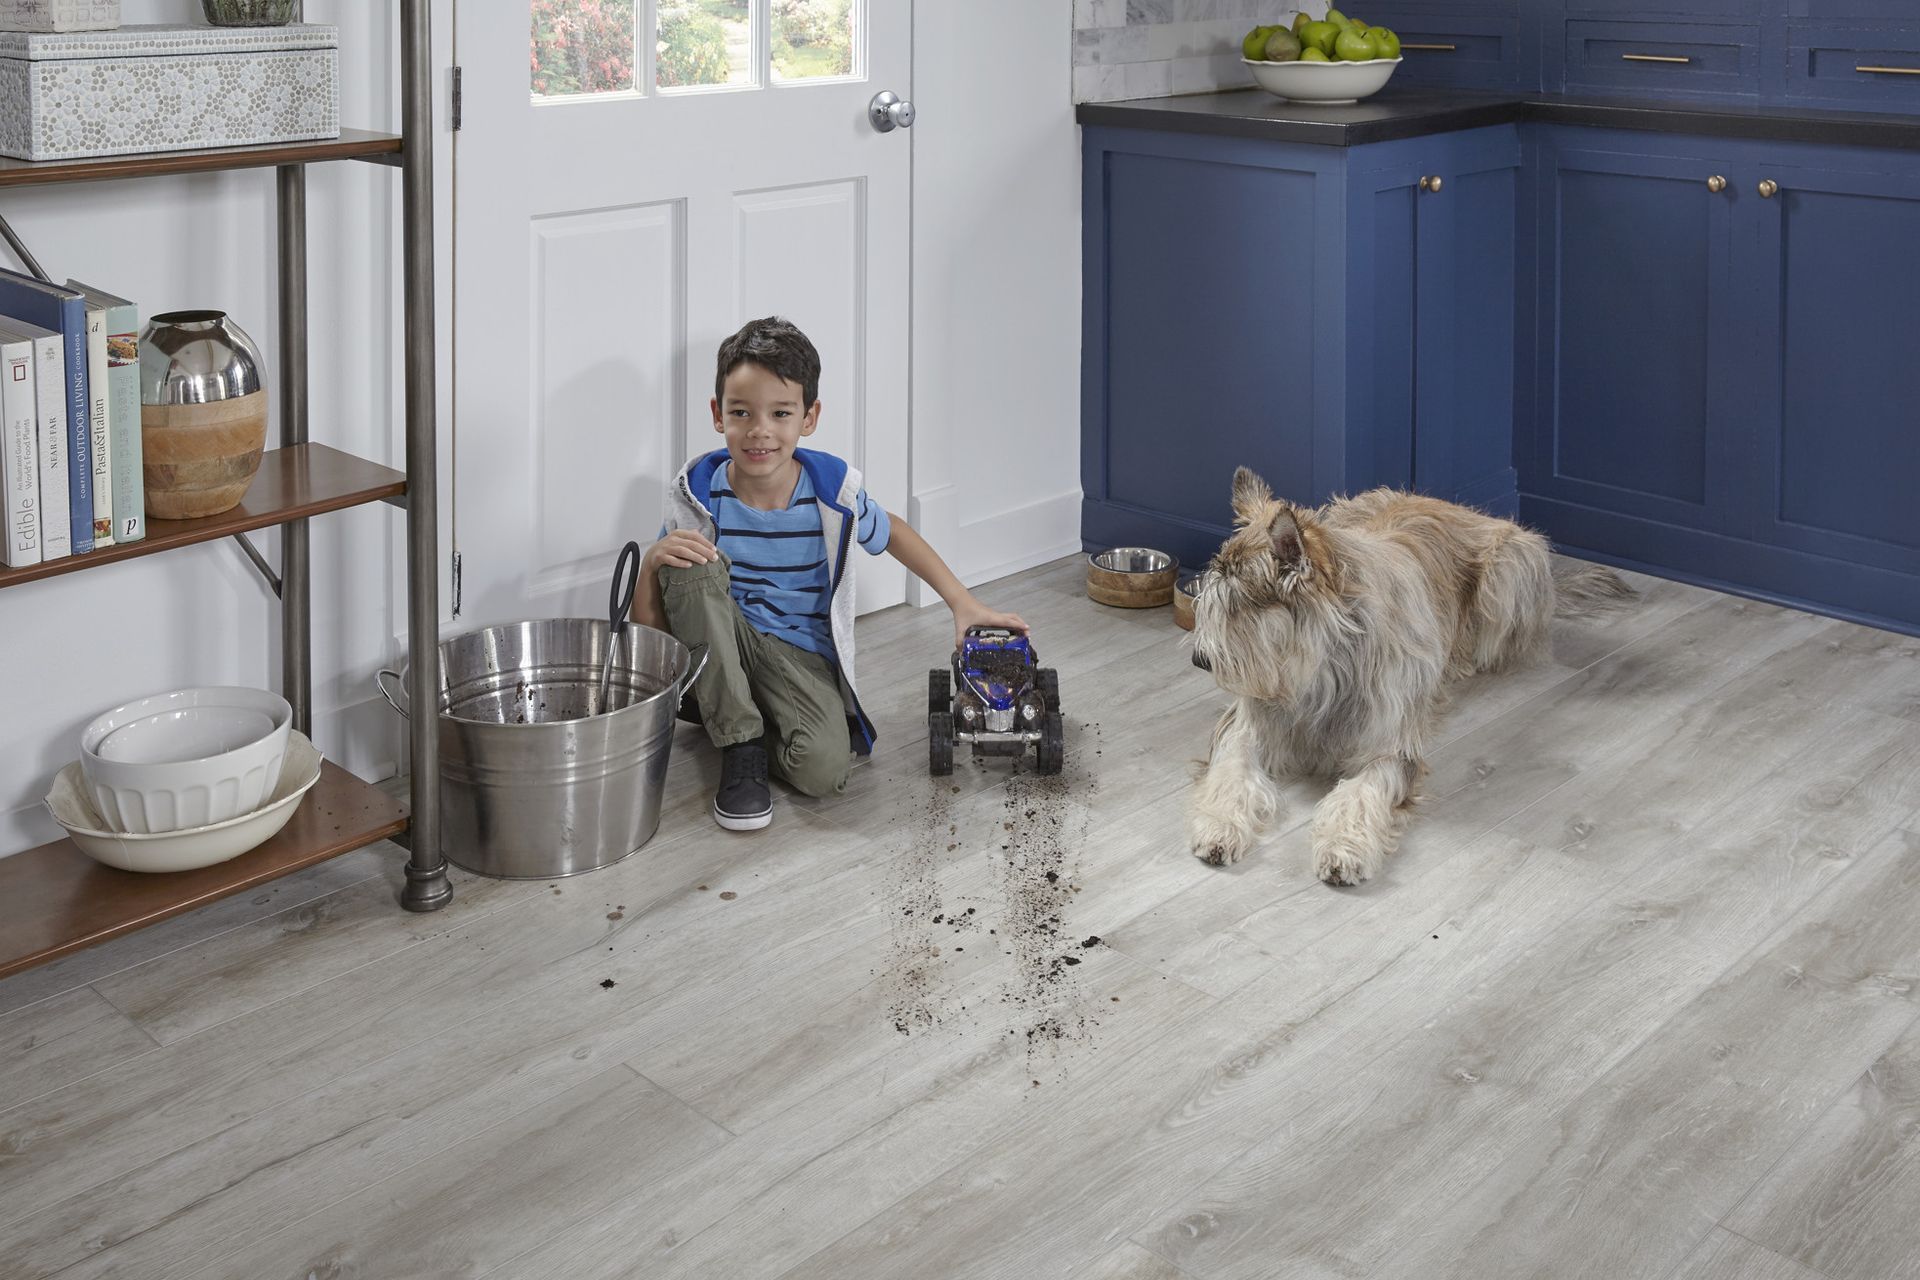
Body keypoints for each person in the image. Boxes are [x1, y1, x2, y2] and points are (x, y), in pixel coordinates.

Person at [634, 316, 1027, 831]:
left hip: (799, 657)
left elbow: (895, 533)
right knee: (689, 564)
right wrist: (649, 566)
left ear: (809, 417)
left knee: (824, 772)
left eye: (780, 413)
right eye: (741, 412)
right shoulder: (699, 494)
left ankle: (733, 711)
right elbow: (658, 620)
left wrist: (962, 602)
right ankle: (741, 741)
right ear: (717, 414)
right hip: (718, 637)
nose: (760, 430)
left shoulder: (829, 493)